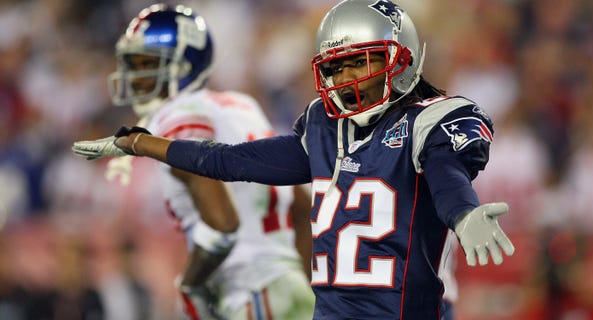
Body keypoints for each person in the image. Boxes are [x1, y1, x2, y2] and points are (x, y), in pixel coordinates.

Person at [73, 0, 515, 319]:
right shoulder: (323, 127)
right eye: (336, 68)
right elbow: (229, 162)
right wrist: (144, 144)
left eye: (359, 63)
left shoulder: (433, 120)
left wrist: (463, 212)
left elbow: (446, 174)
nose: (346, 80)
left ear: (400, 59)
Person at [91, 4, 315, 320]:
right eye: (131, 64)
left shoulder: (176, 115)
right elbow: (302, 207)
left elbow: (222, 224)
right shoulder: (240, 106)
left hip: (249, 295)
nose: (134, 77)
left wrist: (190, 283)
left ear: (183, 66)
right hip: (289, 289)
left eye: (146, 64)